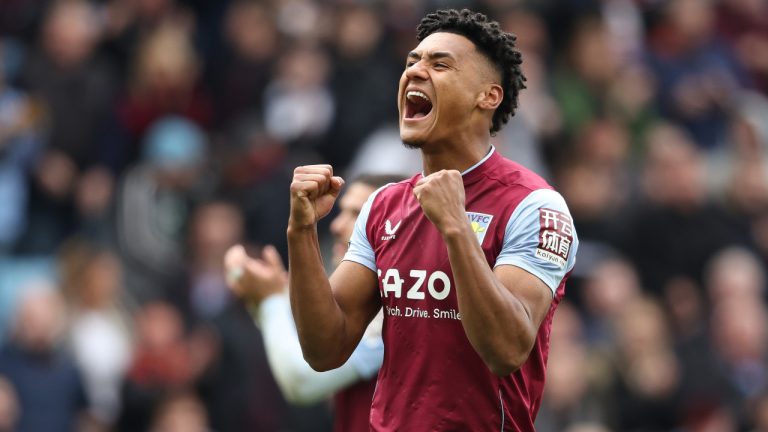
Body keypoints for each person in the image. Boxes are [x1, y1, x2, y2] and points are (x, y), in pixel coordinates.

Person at [287, 9, 579, 431]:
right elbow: (324, 350)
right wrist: (301, 232)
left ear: (488, 96)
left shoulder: (535, 206)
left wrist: (455, 228)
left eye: (440, 65)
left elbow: (506, 350)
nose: (415, 72)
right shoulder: (384, 205)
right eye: (412, 62)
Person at [225, 174, 402, 432]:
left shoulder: (397, 307)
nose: (337, 226)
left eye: (358, 215)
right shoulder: (361, 299)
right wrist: (267, 295)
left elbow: (303, 382)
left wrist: (269, 302)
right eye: (343, 212)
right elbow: (304, 349)